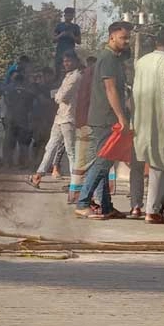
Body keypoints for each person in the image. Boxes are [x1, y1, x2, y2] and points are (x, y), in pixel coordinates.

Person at [74, 21, 133, 219]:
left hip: (106, 118)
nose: (126, 41)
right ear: (112, 37)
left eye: (128, 38)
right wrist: (121, 117)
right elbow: (110, 89)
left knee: (106, 165)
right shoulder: (108, 59)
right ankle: (82, 202)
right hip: (105, 119)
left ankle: (106, 206)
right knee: (103, 161)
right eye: (123, 37)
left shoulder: (113, 59)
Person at [130, 28, 164, 224]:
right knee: (158, 164)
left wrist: (133, 117)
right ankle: (152, 211)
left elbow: (133, 92)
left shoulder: (141, 62)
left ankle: (135, 206)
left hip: (139, 119)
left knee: (137, 163)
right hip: (160, 120)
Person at [28, 51, 82, 188]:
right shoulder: (68, 76)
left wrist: (56, 95)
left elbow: (61, 97)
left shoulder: (76, 76)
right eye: (65, 61)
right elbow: (58, 95)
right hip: (60, 117)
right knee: (50, 147)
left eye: (68, 61)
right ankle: (38, 175)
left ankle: (75, 183)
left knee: (71, 151)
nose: (66, 63)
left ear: (75, 61)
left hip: (68, 118)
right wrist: (56, 95)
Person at [68, 56, 97, 203]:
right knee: (91, 163)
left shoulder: (83, 76)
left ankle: (75, 194)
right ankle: (83, 198)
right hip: (90, 123)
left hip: (81, 121)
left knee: (80, 161)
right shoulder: (93, 76)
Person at [2, 72, 35, 168]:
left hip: (11, 118)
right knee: (23, 143)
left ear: (14, 81)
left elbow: (7, 103)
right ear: (23, 82)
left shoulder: (8, 92)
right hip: (23, 119)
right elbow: (30, 108)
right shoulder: (29, 94)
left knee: (10, 141)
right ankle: (23, 162)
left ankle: (8, 162)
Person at [54, 7, 81, 76]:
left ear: (73, 16)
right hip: (60, 51)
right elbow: (53, 40)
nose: (69, 17)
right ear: (64, 15)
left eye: (71, 15)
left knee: (69, 71)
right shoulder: (59, 26)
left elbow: (79, 41)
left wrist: (72, 36)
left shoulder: (75, 27)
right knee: (59, 71)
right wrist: (61, 35)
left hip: (70, 52)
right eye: (67, 15)